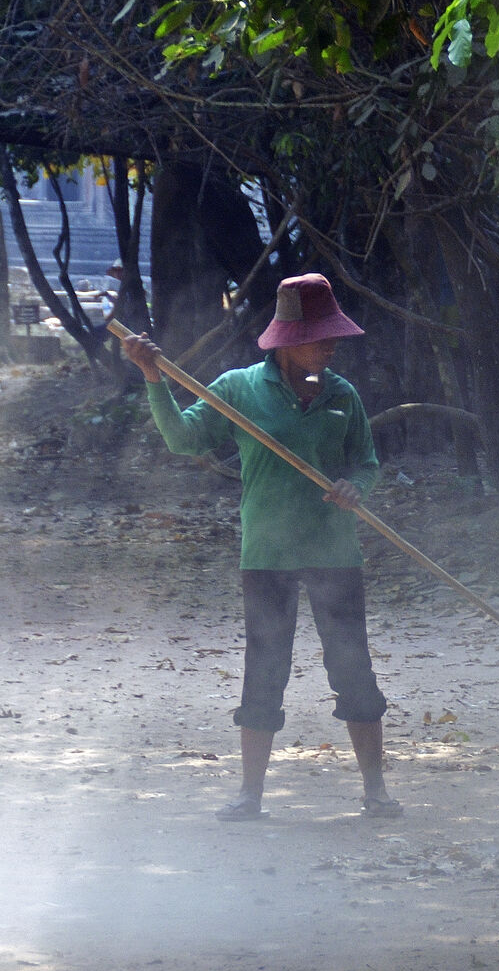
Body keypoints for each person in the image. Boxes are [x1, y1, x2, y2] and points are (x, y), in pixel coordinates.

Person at [119, 273, 402, 821]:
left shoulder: (343, 395)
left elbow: (366, 462)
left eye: (333, 336)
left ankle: (376, 791)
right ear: (288, 339)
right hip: (268, 554)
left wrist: (356, 488)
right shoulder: (238, 389)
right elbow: (182, 439)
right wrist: (153, 377)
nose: (332, 345)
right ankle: (250, 796)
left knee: (353, 669)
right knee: (265, 668)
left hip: (334, 553)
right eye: (321, 336)